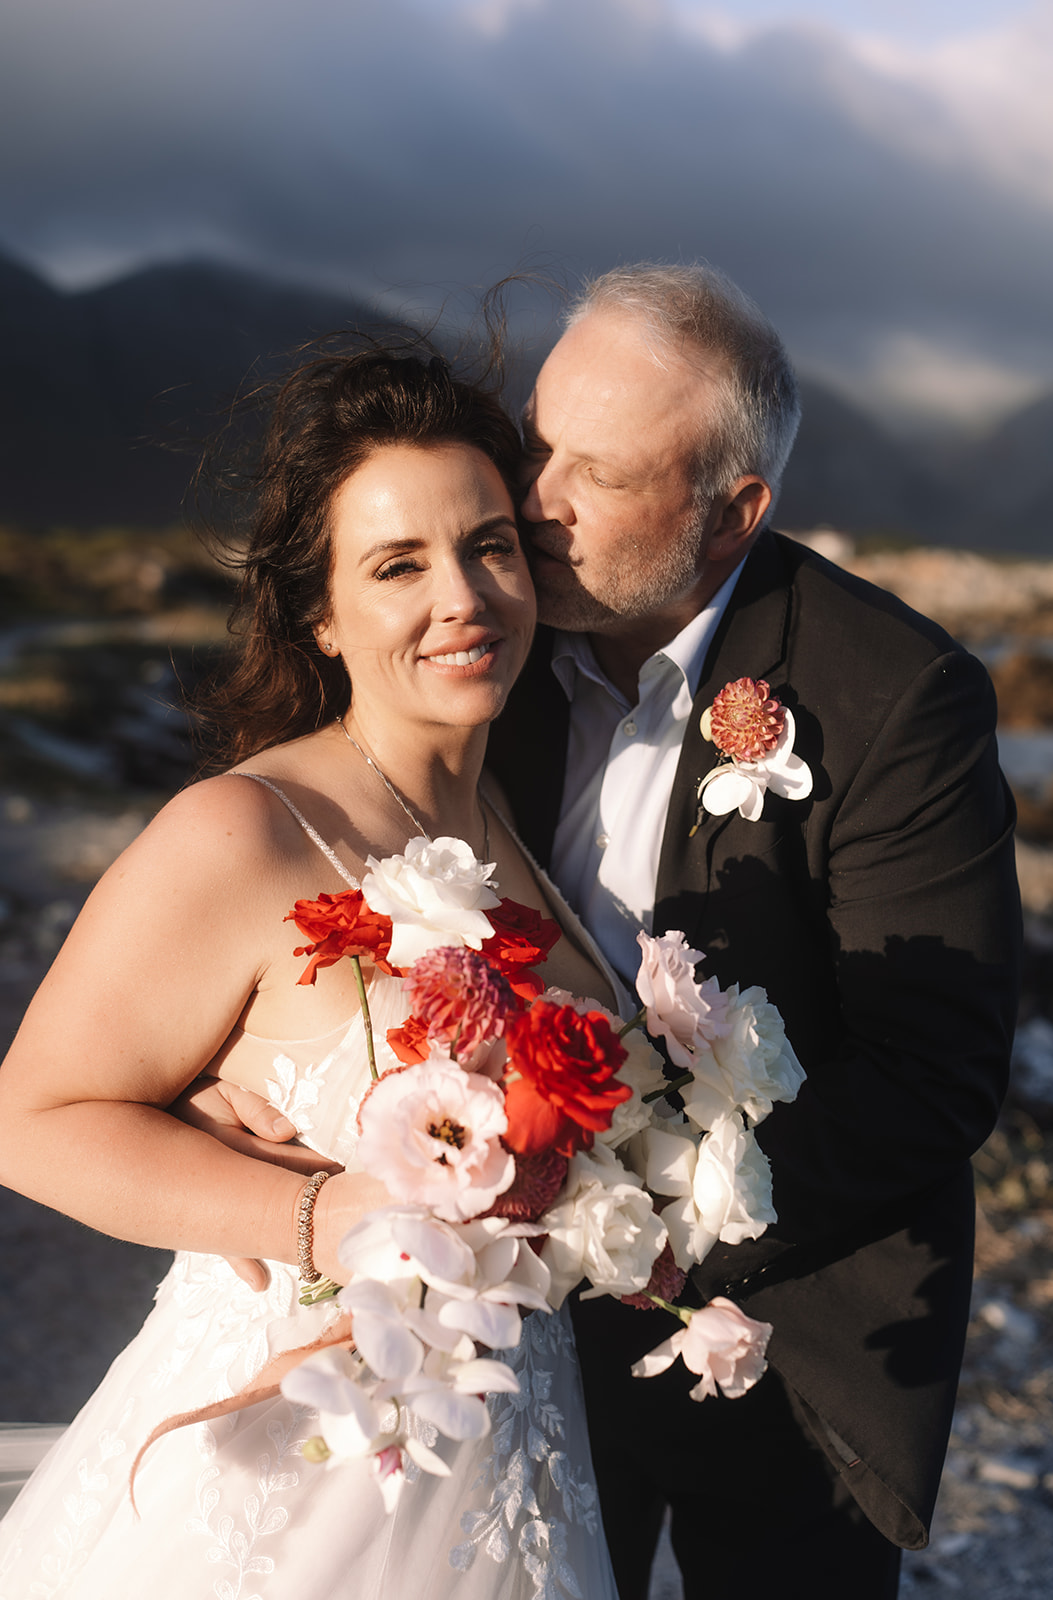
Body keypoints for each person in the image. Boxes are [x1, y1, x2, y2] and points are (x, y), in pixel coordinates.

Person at [0, 344, 623, 1600]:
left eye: (490, 546)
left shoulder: (525, 823)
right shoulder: (245, 830)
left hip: (505, 1474)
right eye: (398, 565)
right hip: (288, 1481)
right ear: (321, 614)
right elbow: (28, 1118)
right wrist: (312, 1214)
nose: (462, 597)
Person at [486, 264, 1022, 1599]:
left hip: (778, 1316)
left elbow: (928, 1070)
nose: (534, 501)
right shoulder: (480, 642)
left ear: (731, 513)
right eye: (534, 442)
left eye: (595, 474)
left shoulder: (892, 696)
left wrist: (640, 1228)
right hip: (504, 1304)